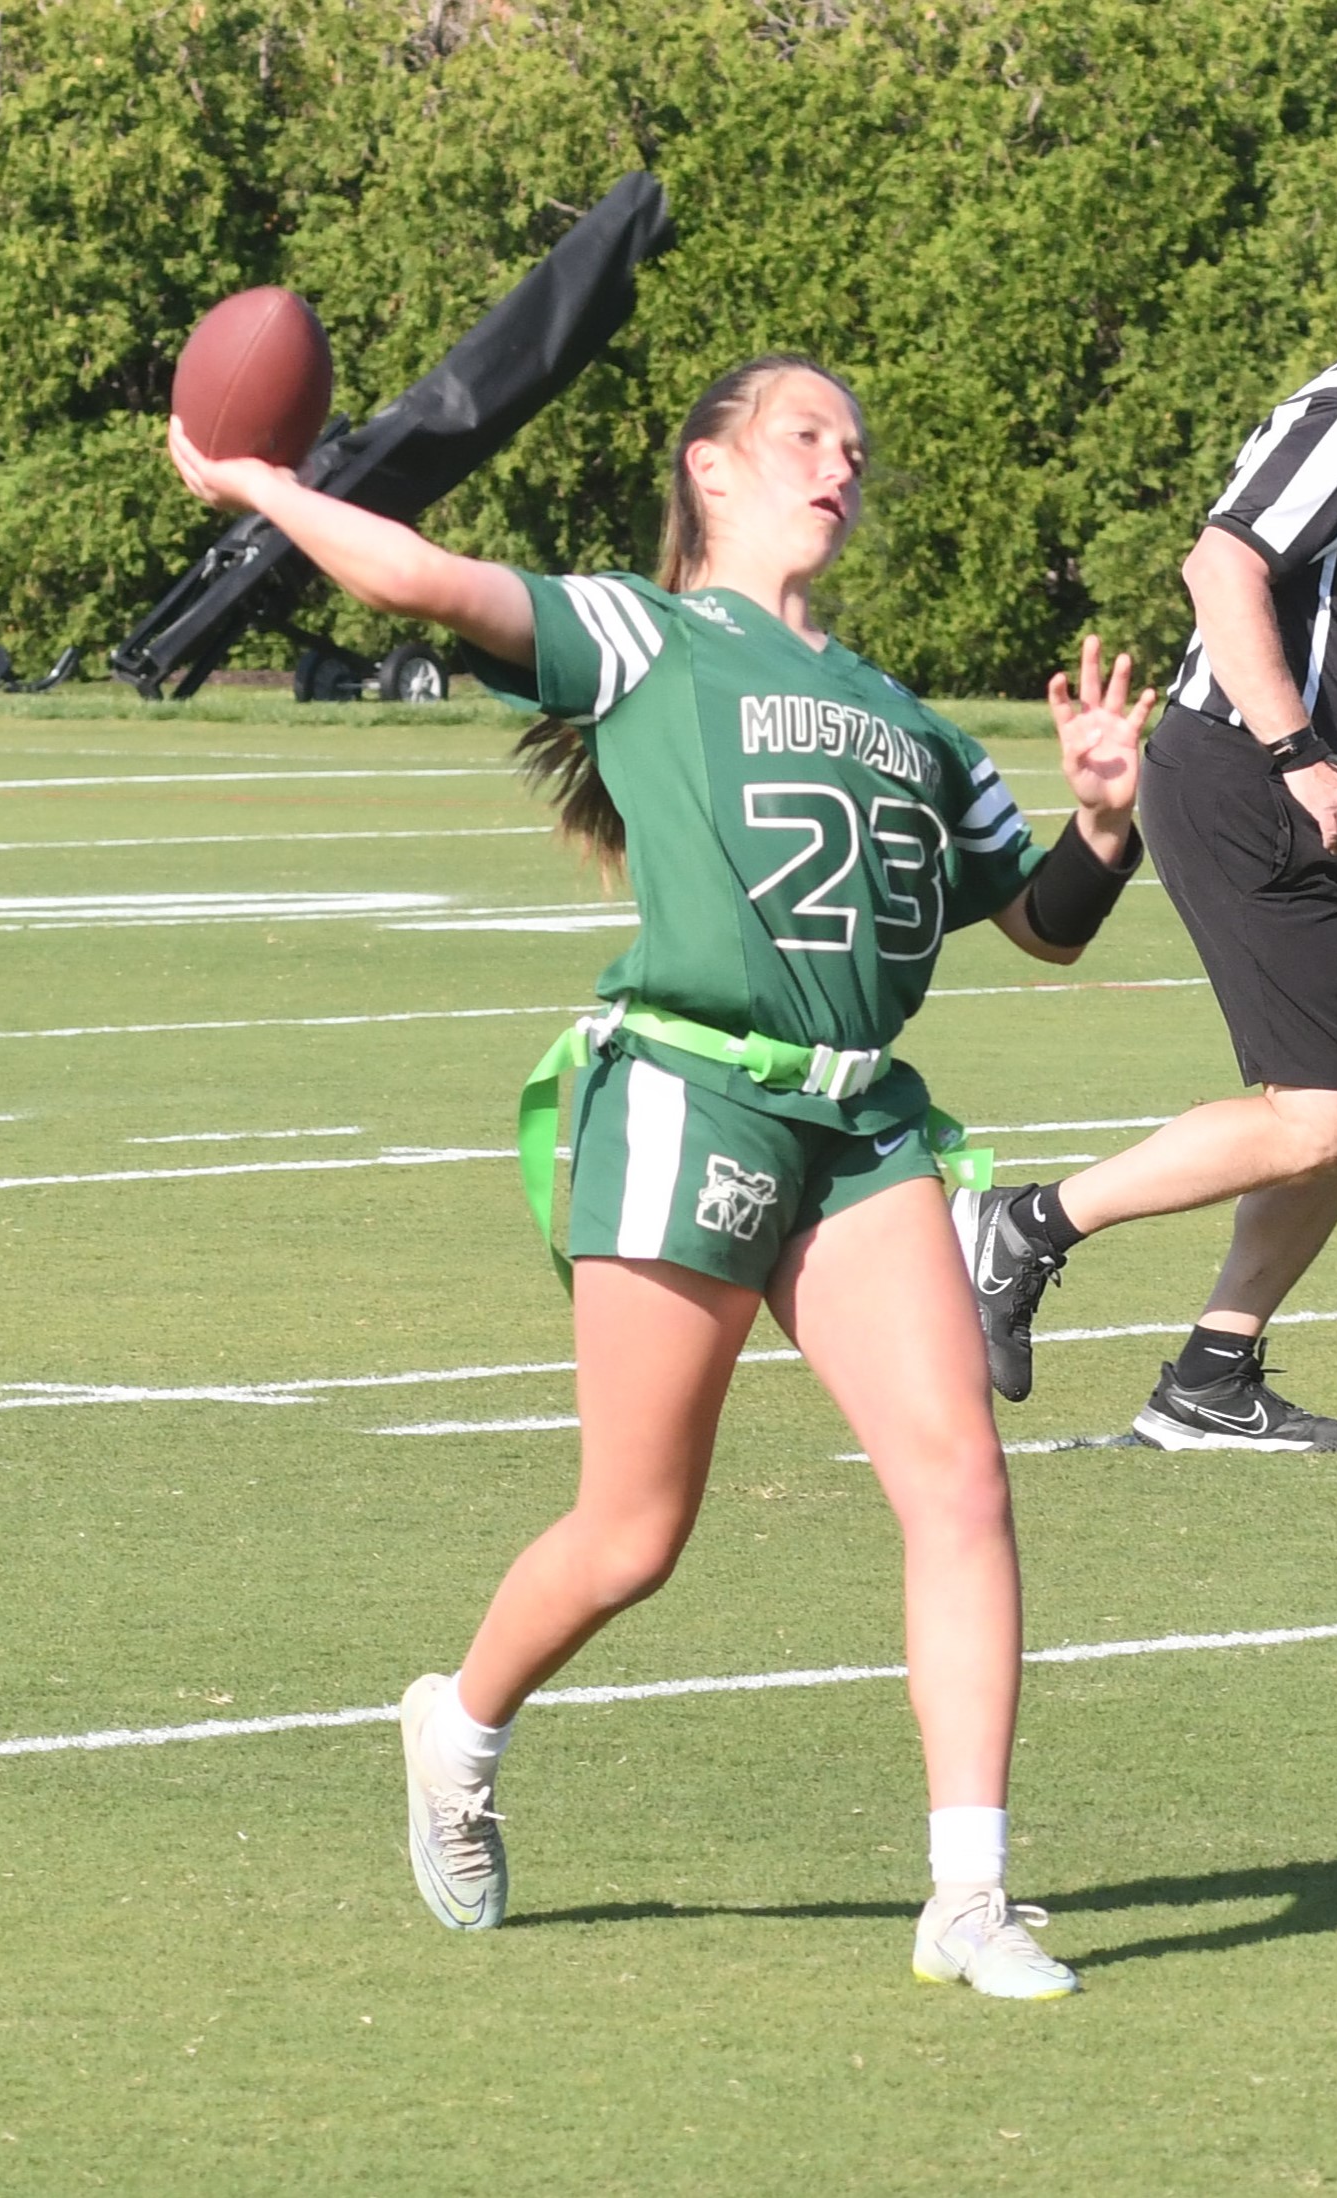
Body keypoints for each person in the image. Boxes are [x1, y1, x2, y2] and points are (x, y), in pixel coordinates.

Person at [167, 354, 1160, 1997]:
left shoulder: (912, 720)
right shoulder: (644, 634)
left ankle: (968, 1895)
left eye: (855, 441)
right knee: (636, 1529)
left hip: (861, 1125)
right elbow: (421, 575)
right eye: (801, 435)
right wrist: (265, 488)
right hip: (690, 1098)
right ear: (711, 469)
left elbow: (1041, 922)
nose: (837, 462)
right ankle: (461, 1724)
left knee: (961, 1481)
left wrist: (1107, 824)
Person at [955, 188, 1337, 1451]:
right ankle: (1022, 1225)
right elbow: (1221, 564)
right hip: (1256, 776)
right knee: (1320, 1108)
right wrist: (1296, 751)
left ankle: (1211, 1375)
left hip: (1334, 803)